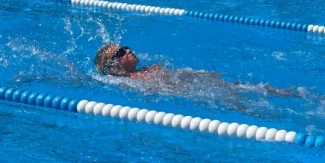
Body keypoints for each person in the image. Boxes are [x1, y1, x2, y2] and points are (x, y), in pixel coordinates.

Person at [94, 44, 304, 98]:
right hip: (195, 94)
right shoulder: (126, 83)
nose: (128, 50)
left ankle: (293, 93)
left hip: (203, 86)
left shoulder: (153, 67)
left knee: (254, 88)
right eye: (121, 51)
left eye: (126, 46)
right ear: (113, 65)